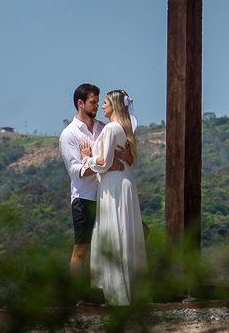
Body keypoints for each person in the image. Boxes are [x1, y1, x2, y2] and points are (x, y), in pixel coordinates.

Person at [80, 89, 148, 305]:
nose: (102, 106)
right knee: (124, 229)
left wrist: (87, 159)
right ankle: (130, 287)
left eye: (105, 102)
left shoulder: (111, 128)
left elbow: (105, 162)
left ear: (114, 106)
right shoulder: (123, 128)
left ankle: (116, 293)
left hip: (114, 184)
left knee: (113, 230)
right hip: (123, 180)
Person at [59, 83, 125, 294]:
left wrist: (98, 161)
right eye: (93, 102)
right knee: (81, 250)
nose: (97, 106)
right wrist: (102, 165)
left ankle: (112, 289)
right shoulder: (69, 134)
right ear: (80, 103)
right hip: (85, 198)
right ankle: (80, 298)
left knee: (124, 236)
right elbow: (76, 170)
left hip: (108, 194)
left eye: (98, 102)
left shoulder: (104, 128)